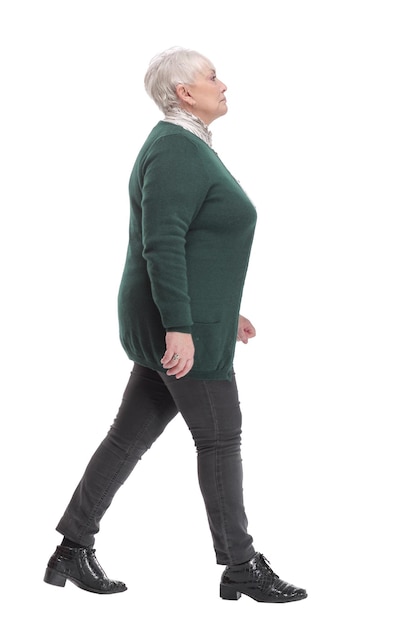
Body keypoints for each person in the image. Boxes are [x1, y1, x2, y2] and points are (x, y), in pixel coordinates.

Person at [43, 46, 307, 604]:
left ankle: (71, 546)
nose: (223, 83)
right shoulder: (175, 149)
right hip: (177, 325)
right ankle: (240, 564)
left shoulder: (185, 147)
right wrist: (182, 328)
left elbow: (193, 241)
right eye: (213, 76)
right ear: (185, 93)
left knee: (128, 436)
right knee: (219, 436)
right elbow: (161, 245)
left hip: (185, 318)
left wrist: (221, 309)